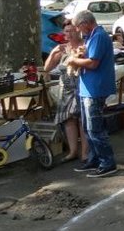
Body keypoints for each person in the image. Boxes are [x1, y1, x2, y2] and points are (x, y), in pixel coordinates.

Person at [66, 10, 118, 178]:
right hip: (86, 88)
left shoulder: (98, 36)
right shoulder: (90, 37)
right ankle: (94, 158)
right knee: (88, 128)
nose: (79, 31)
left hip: (95, 89)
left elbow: (93, 63)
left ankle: (107, 162)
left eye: (79, 27)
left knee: (95, 129)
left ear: (85, 23)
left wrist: (73, 60)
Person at [43, 21, 88, 163]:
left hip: (82, 87)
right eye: (66, 31)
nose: (68, 34)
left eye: (71, 31)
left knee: (82, 120)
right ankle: (73, 151)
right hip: (66, 89)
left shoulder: (84, 46)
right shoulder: (62, 48)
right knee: (68, 120)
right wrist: (54, 52)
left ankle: (85, 153)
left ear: (77, 31)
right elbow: (47, 68)